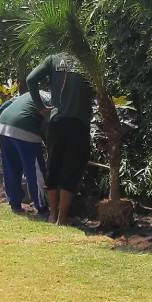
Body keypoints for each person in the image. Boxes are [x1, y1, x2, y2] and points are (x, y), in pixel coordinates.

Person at [25, 51, 92, 225]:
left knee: (53, 167)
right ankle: (61, 219)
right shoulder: (87, 57)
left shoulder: (54, 59)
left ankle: (52, 215)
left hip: (56, 123)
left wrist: (41, 108)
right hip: (79, 124)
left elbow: (30, 79)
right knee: (71, 169)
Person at [0, 88, 49, 216]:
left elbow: (6, 104)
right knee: (35, 171)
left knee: (11, 167)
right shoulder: (51, 100)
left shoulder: (28, 94)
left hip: (3, 125)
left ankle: (14, 204)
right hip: (25, 128)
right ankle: (42, 208)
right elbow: (49, 124)